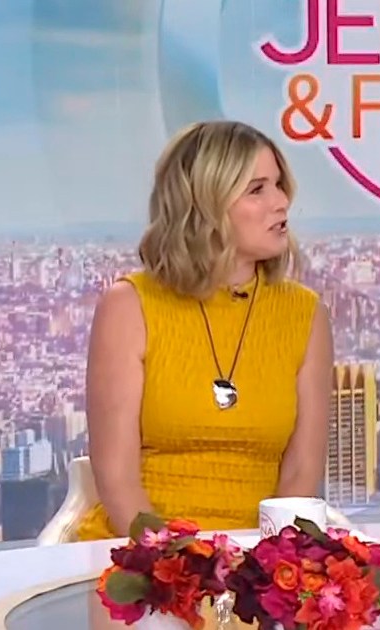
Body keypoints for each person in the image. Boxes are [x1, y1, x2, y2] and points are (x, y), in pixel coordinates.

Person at [76, 120, 333, 540]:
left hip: (263, 562)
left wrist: (262, 566)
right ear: (204, 206)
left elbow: (301, 474)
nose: (281, 202)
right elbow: (117, 479)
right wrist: (181, 565)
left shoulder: (306, 315)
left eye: (279, 185)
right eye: (257, 190)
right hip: (142, 551)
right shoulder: (129, 306)